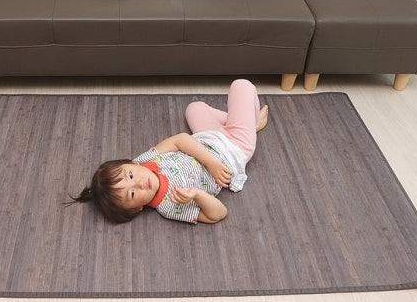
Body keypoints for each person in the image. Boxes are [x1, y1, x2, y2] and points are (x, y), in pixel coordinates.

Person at [69, 79, 268, 225]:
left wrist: (210, 163)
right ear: (137, 209)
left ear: (130, 163)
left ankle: (246, 124)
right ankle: (250, 126)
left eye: (130, 175)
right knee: (242, 85)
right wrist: (198, 195)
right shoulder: (169, 206)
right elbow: (218, 213)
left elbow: (180, 140)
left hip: (207, 138)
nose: (139, 183)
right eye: (132, 193)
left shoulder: (144, 162)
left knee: (194, 108)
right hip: (234, 149)